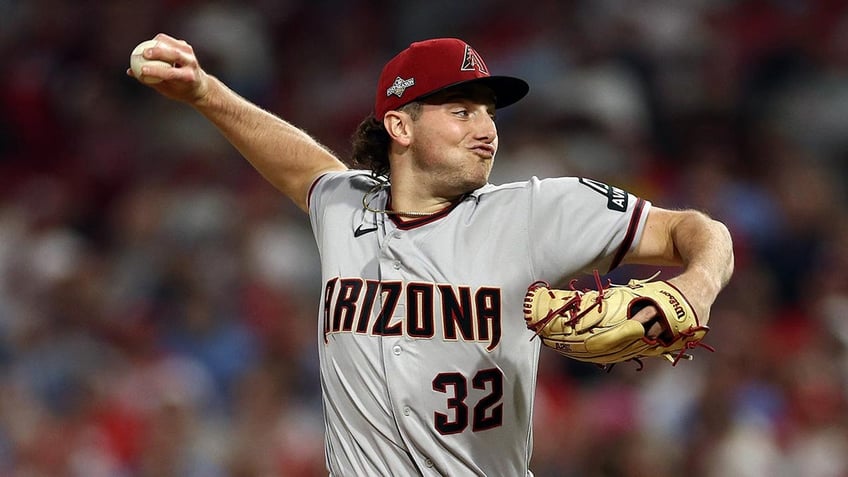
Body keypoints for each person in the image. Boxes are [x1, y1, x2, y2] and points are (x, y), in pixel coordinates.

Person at [129, 33, 734, 476]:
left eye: (490, 113)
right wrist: (205, 92)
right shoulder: (345, 208)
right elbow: (298, 161)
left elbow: (698, 231)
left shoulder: (534, 211)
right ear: (401, 126)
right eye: (462, 111)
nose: (487, 130)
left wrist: (694, 288)